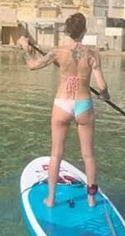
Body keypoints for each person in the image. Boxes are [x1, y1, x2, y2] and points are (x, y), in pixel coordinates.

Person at [17, 13, 110, 208]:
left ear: (68, 31)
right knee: (88, 155)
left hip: (62, 103)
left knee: (56, 154)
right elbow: (101, 85)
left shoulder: (58, 51)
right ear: (84, 30)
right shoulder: (93, 54)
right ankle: (91, 199)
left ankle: (51, 200)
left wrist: (26, 48)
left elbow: (33, 65)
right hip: (83, 104)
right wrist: (105, 95)